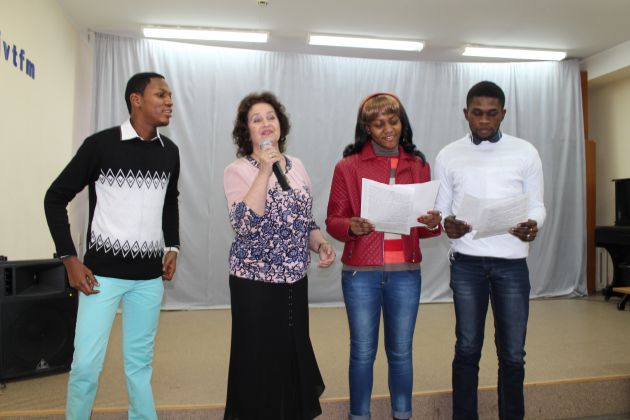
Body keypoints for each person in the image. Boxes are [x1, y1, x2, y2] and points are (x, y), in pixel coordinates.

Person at [44, 72, 180, 420]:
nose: (169, 102)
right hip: (100, 277)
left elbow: (169, 202)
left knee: (139, 364)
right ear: (136, 100)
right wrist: (69, 258)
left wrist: (173, 246)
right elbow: (55, 197)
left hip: (149, 280)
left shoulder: (170, 153)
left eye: (170, 96)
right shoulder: (100, 145)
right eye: (161, 95)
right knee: (86, 364)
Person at [325, 93, 442, 420]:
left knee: (401, 352)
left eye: (394, 121)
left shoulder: (418, 165)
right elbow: (333, 220)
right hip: (361, 274)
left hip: (406, 273)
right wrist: (351, 226)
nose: (388, 129)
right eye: (379, 124)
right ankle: (359, 415)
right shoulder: (347, 166)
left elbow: (426, 229)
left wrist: (433, 222)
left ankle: (402, 414)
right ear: (367, 128)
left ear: (402, 123)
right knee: (363, 352)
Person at [434, 81, 546, 420]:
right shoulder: (448, 154)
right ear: (465, 113)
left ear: (503, 114)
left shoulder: (525, 152)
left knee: (512, 354)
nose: (484, 120)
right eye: (477, 113)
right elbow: (440, 208)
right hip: (467, 263)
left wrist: (534, 223)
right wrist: (447, 223)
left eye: (492, 113)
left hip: (511, 264)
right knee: (467, 348)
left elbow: (538, 205)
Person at [223, 91, 336, 420]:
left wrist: (321, 244)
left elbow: (304, 220)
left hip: (294, 281)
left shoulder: (297, 166)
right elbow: (244, 225)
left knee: (291, 353)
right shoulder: (237, 170)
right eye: (256, 119)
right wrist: (264, 170)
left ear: (281, 125)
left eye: (270, 117)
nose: (265, 123)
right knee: (258, 357)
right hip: (254, 282)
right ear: (246, 131)